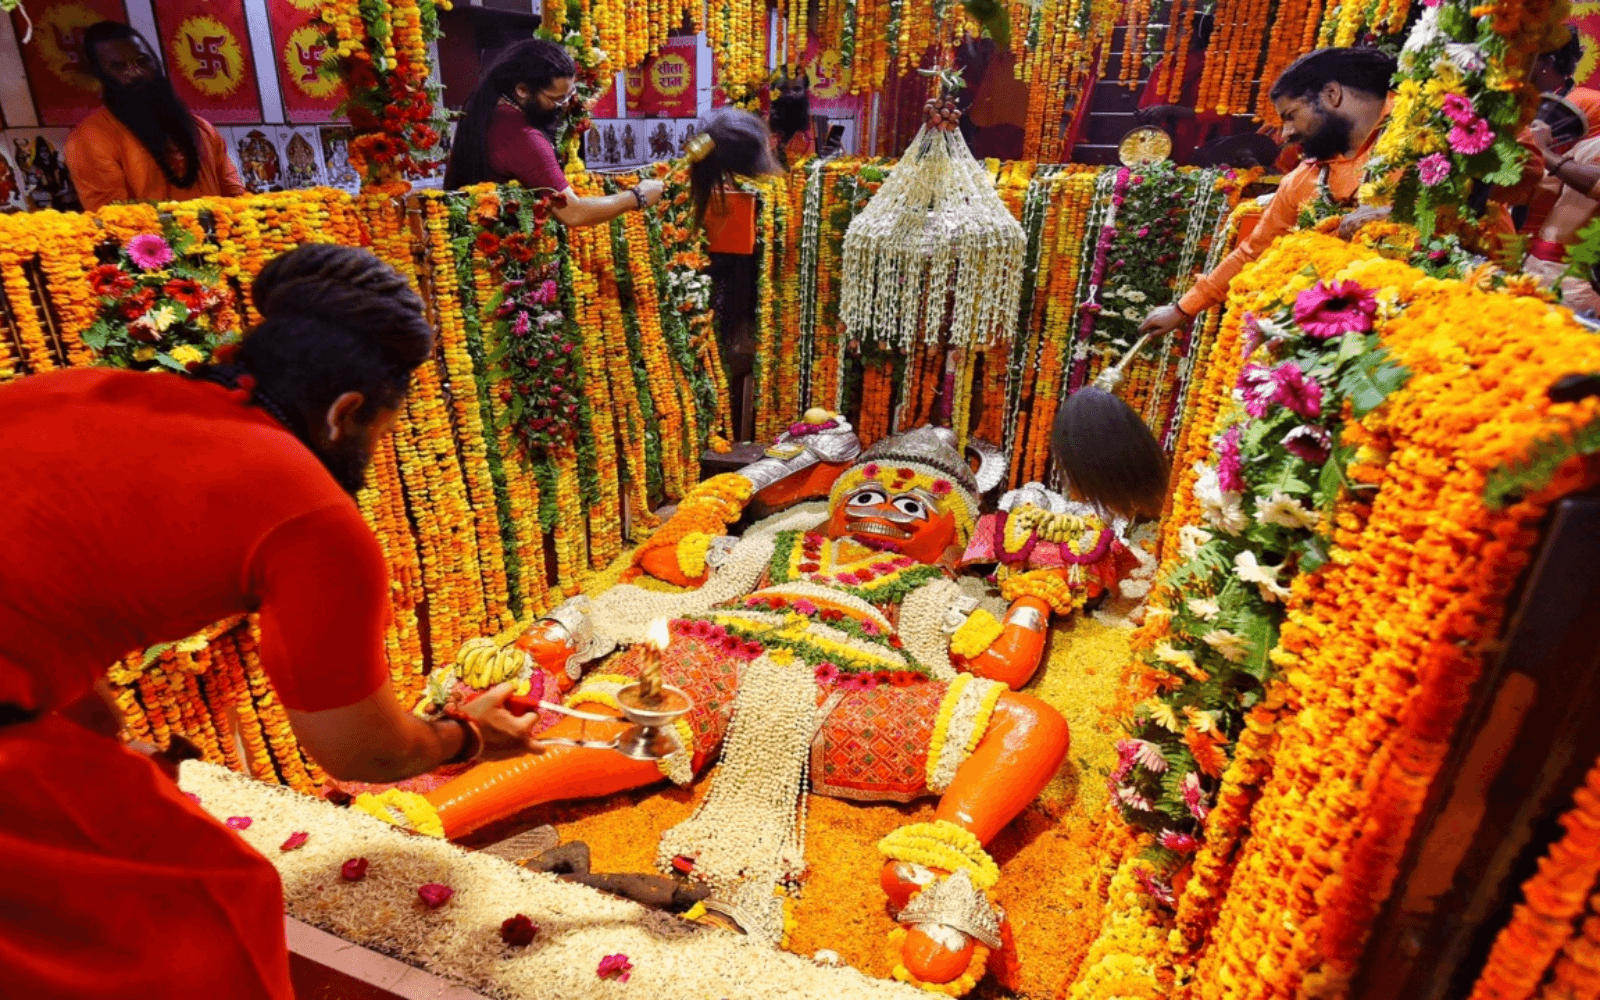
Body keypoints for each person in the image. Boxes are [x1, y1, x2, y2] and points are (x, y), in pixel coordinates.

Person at [0, 245, 544, 997]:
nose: (374, 455)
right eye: (380, 435)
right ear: (344, 413)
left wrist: (95, 734)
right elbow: (364, 753)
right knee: (215, 909)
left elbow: (37, 586)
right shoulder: (312, 517)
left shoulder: (83, 389)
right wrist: (472, 735)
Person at [1140, 47, 1397, 337]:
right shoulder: (1304, 179)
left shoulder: (1428, 129)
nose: (1285, 134)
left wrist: (1395, 216)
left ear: (1331, 95)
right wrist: (1182, 309)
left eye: (1291, 116)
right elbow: (1253, 252)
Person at [444, 38, 663, 227]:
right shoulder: (523, 137)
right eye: (557, 99)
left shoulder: (487, 107)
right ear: (522, 90)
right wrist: (637, 196)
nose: (564, 106)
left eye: (569, 96)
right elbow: (572, 212)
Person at [64, 22, 245, 214]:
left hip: (221, 240)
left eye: (142, 61)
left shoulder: (202, 128)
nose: (136, 72)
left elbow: (236, 199)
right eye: (119, 66)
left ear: (156, 62)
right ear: (100, 75)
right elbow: (116, 220)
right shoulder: (91, 139)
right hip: (153, 243)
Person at [1521, 118, 1600, 313]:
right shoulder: (1591, 143)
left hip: (1577, 278)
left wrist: (1543, 151)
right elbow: (1545, 185)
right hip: (1537, 263)